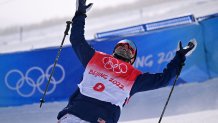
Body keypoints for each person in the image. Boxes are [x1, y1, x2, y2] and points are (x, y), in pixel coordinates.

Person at [57, 0, 196, 123]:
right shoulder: (134, 77)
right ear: (132, 59)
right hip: (100, 118)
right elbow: (163, 79)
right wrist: (180, 56)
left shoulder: (95, 58)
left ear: (114, 52)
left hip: (72, 114)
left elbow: (76, 39)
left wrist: (80, 13)